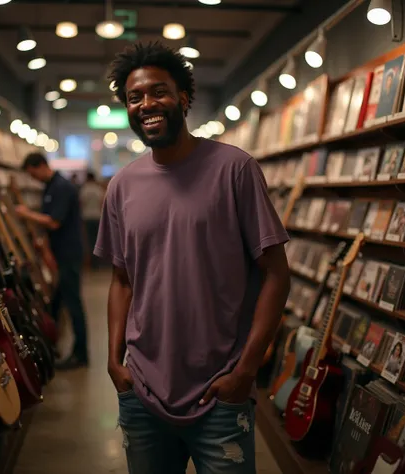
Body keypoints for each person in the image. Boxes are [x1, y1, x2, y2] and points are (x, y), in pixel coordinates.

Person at [94, 41, 290, 473]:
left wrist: (245, 372)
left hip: (220, 391)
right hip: (142, 391)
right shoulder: (122, 186)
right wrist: (113, 362)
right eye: (134, 97)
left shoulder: (234, 169)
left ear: (184, 98)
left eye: (158, 91)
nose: (147, 104)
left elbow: (276, 274)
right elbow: (121, 280)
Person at [16, 153, 89, 370]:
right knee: (56, 303)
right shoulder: (51, 187)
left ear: (40, 166)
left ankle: (81, 354)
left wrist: (25, 214)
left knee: (72, 302)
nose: (33, 179)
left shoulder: (61, 187)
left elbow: (54, 222)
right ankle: (50, 346)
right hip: (59, 253)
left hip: (68, 254)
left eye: (32, 174)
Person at [79, 171, 104, 269]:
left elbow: (81, 204)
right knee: (98, 241)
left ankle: (90, 263)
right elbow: (102, 204)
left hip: (87, 218)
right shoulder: (99, 189)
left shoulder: (84, 190)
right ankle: (97, 263)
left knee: (89, 241)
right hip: (98, 218)